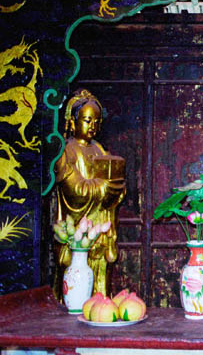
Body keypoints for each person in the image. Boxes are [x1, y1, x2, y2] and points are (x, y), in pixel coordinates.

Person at [54, 89, 125, 297]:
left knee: (100, 279)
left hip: (100, 227)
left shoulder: (99, 149)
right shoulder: (67, 151)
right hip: (78, 226)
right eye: (87, 120)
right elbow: (74, 189)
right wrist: (103, 187)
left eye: (96, 121)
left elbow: (111, 179)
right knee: (76, 281)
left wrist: (116, 189)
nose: (92, 126)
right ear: (72, 122)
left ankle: (100, 304)